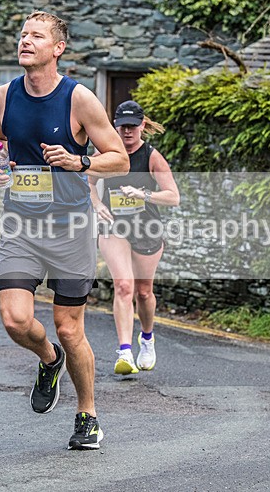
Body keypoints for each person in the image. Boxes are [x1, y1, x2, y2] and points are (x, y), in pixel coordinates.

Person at [0, 10, 128, 450]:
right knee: (15, 319)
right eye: (23, 34)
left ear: (58, 48)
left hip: (70, 228)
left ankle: (88, 415)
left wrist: (78, 161)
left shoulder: (78, 99)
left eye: (36, 36)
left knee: (69, 328)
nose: (25, 41)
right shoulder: (2, 96)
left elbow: (119, 158)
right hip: (21, 224)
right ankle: (50, 361)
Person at [89, 100, 179, 376]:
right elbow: (87, 181)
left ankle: (147, 338)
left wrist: (144, 194)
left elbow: (173, 196)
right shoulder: (106, 153)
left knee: (143, 291)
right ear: (115, 127)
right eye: (122, 126)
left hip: (146, 228)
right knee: (124, 286)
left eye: (132, 126)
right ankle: (125, 351)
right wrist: (97, 204)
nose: (127, 132)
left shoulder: (151, 156)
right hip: (114, 227)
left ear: (142, 125)